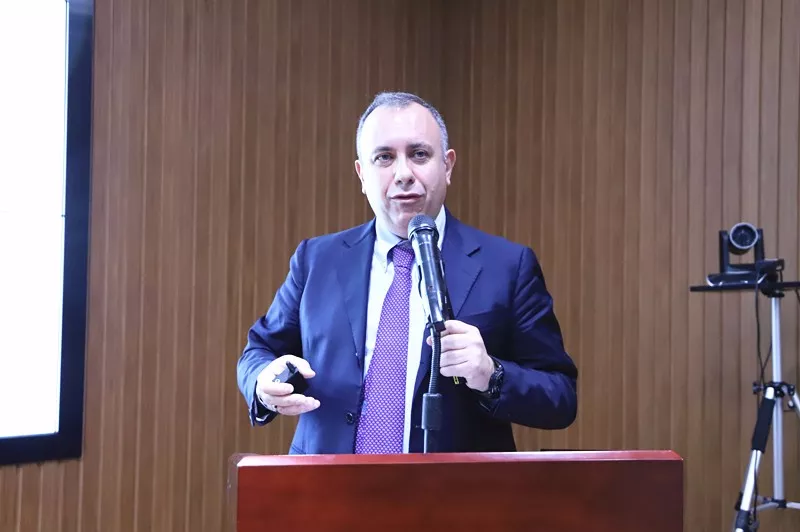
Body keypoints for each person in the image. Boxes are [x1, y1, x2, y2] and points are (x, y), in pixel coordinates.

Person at [237, 91, 577, 454]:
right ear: (362, 174)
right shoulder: (317, 259)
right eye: (384, 157)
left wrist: (490, 375)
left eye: (419, 154)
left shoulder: (507, 266)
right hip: (326, 485)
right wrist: (262, 382)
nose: (403, 174)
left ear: (447, 166)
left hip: (454, 489)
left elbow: (560, 396)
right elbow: (260, 350)